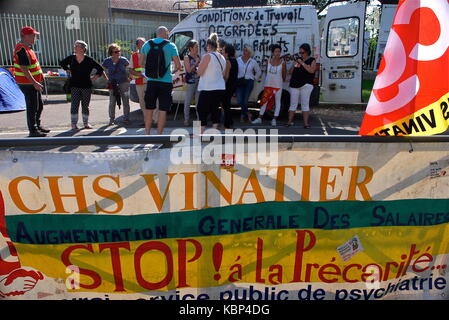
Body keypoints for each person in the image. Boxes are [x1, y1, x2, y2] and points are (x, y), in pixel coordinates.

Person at [140, 26, 182, 135]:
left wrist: (149, 71)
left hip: (151, 82)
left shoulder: (146, 44)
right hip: (166, 82)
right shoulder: (171, 45)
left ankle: (147, 135)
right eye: (168, 33)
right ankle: (159, 136)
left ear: (157, 34)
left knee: (149, 110)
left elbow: (140, 63)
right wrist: (170, 72)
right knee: (163, 111)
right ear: (165, 34)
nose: (168, 35)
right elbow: (178, 65)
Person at [60, 40, 106, 130]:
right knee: (74, 105)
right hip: (74, 85)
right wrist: (67, 69)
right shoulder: (71, 58)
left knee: (85, 105)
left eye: (77, 46)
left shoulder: (89, 60)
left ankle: (86, 123)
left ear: (83, 49)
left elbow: (100, 69)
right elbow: (62, 63)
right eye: (75, 46)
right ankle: (74, 124)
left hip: (86, 86)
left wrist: (94, 78)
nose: (74, 47)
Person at [13, 26, 49, 137]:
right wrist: (34, 82)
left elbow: (33, 66)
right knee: (32, 106)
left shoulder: (28, 48)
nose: (35, 38)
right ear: (25, 36)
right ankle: (33, 130)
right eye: (33, 36)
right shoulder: (22, 49)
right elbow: (24, 68)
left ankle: (37, 126)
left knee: (39, 105)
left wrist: (39, 78)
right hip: (27, 84)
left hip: (32, 83)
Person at [196, 33, 226, 133]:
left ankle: (201, 130)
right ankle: (214, 130)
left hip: (207, 87)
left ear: (209, 46)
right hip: (219, 87)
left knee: (201, 108)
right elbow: (223, 73)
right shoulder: (222, 58)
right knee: (214, 109)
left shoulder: (207, 56)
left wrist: (197, 68)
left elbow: (199, 72)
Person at [252, 44, 286, 127]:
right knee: (264, 101)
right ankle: (259, 118)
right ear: (272, 52)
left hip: (278, 86)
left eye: (279, 51)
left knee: (277, 102)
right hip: (268, 85)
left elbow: (284, 75)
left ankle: (274, 119)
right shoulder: (269, 60)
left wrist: (279, 80)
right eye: (276, 51)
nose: (278, 53)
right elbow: (267, 72)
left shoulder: (283, 62)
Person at [286, 43, 316, 128]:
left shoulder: (312, 60)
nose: (300, 54)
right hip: (294, 85)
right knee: (293, 104)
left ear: (307, 52)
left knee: (305, 104)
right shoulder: (297, 60)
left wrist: (302, 62)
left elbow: (311, 71)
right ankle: (289, 122)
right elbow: (290, 72)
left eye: (302, 53)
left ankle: (306, 124)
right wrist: (294, 62)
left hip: (306, 85)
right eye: (300, 53)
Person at [102, 43, 131, 125]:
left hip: (124, 83)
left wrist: (130, 78)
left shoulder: (123, 60)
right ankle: (111, 119)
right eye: (116, 52)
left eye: (119, 51)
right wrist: (106, 79)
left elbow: (131, 68)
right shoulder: (107, 61)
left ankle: (126, 118)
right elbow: (101, 70)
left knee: (126, 101)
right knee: (112, 102)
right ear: (111, 53)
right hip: (113, 84)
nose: (118, 53)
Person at [235, 45, 261, 123]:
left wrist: (254, 78)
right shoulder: (238, 60)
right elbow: (235, 70)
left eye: (246, 50)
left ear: (250, 53)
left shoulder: (253, 62)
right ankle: (248, 113)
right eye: (244, 50)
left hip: (249, 82)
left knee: (245, 100)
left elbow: (259, 71)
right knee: (239, 100)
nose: (244, 51)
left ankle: (242, 116)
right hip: (239, 81)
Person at [128, 37, 147, 124]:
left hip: (150, 81)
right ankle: (146, 120)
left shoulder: (150, 54)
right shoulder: (134, 56)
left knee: (152, 101)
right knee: (142, 102)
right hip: (139, 82)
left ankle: (154, 119)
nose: (143, 45)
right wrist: (139, 74)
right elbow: (131, 69)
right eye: (141, 43)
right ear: (137, 45)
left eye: (144, 43)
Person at [183, 39, 201, 126]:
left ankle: (199, 119)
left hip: (199, 81)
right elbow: (189, 70)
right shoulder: (187, 57)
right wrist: (197, 62)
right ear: (190, 48)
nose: (197, 48)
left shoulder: (198, 56)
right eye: (196, 47)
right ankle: (186, 119)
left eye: (197, 46)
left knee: (199, 102)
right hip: (190, 82)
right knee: (188, 101)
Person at [221, 43, 238, 129]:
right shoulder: (235, 60)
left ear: (227, 53)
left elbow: (226, 77)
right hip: (233, 85)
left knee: (226, 105)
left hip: (227, 86)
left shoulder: (227, 61)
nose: (222, 51)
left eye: (223, 50)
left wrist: (221, 83)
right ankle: (230, 122)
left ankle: (226, 125)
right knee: (227, 104)